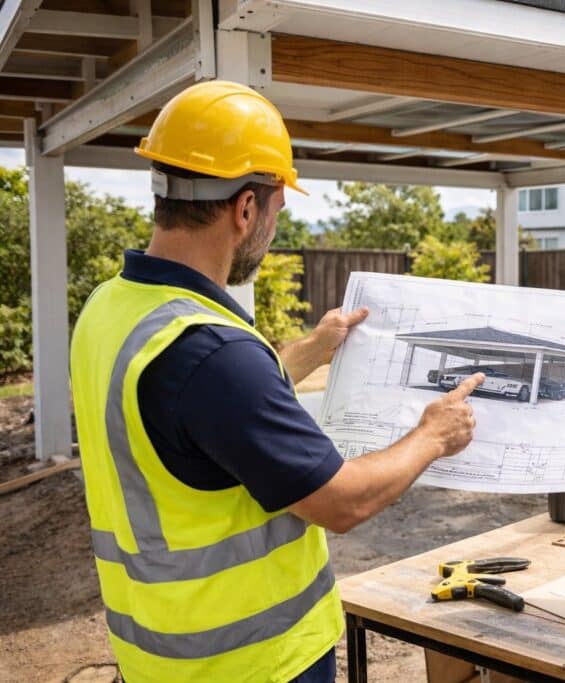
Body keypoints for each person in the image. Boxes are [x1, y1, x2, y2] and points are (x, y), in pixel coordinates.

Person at [69, 80, 484, 683]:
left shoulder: (113, 307)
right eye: (276, 206)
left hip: (160, 658)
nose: (274, 222)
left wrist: (310, 352)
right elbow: (343, 501)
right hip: (256, 661)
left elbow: (197, 418)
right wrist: (432, 435)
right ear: (244, 208)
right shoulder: (214, 352)